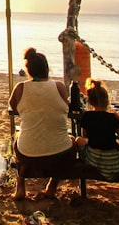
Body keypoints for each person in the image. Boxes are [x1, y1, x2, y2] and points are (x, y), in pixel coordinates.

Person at [8, 47, 77, 200]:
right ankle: (52, 186)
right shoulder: (59, 87)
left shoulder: (20, 88)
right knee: (72, 141)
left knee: (17, 140)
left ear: (28, 70)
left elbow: (13, 108)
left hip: (28, 155)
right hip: (59, 156)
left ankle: (20, 187)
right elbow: (66, 105)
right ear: (47, 69)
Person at [76, 79, 119, 180]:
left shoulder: (87, 115)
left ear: (90, 101)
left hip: (93, 158)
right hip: (113, 160)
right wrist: (118, 117)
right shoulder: (112, 117)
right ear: (107, 99)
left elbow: (84, 135)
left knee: (78, 140)